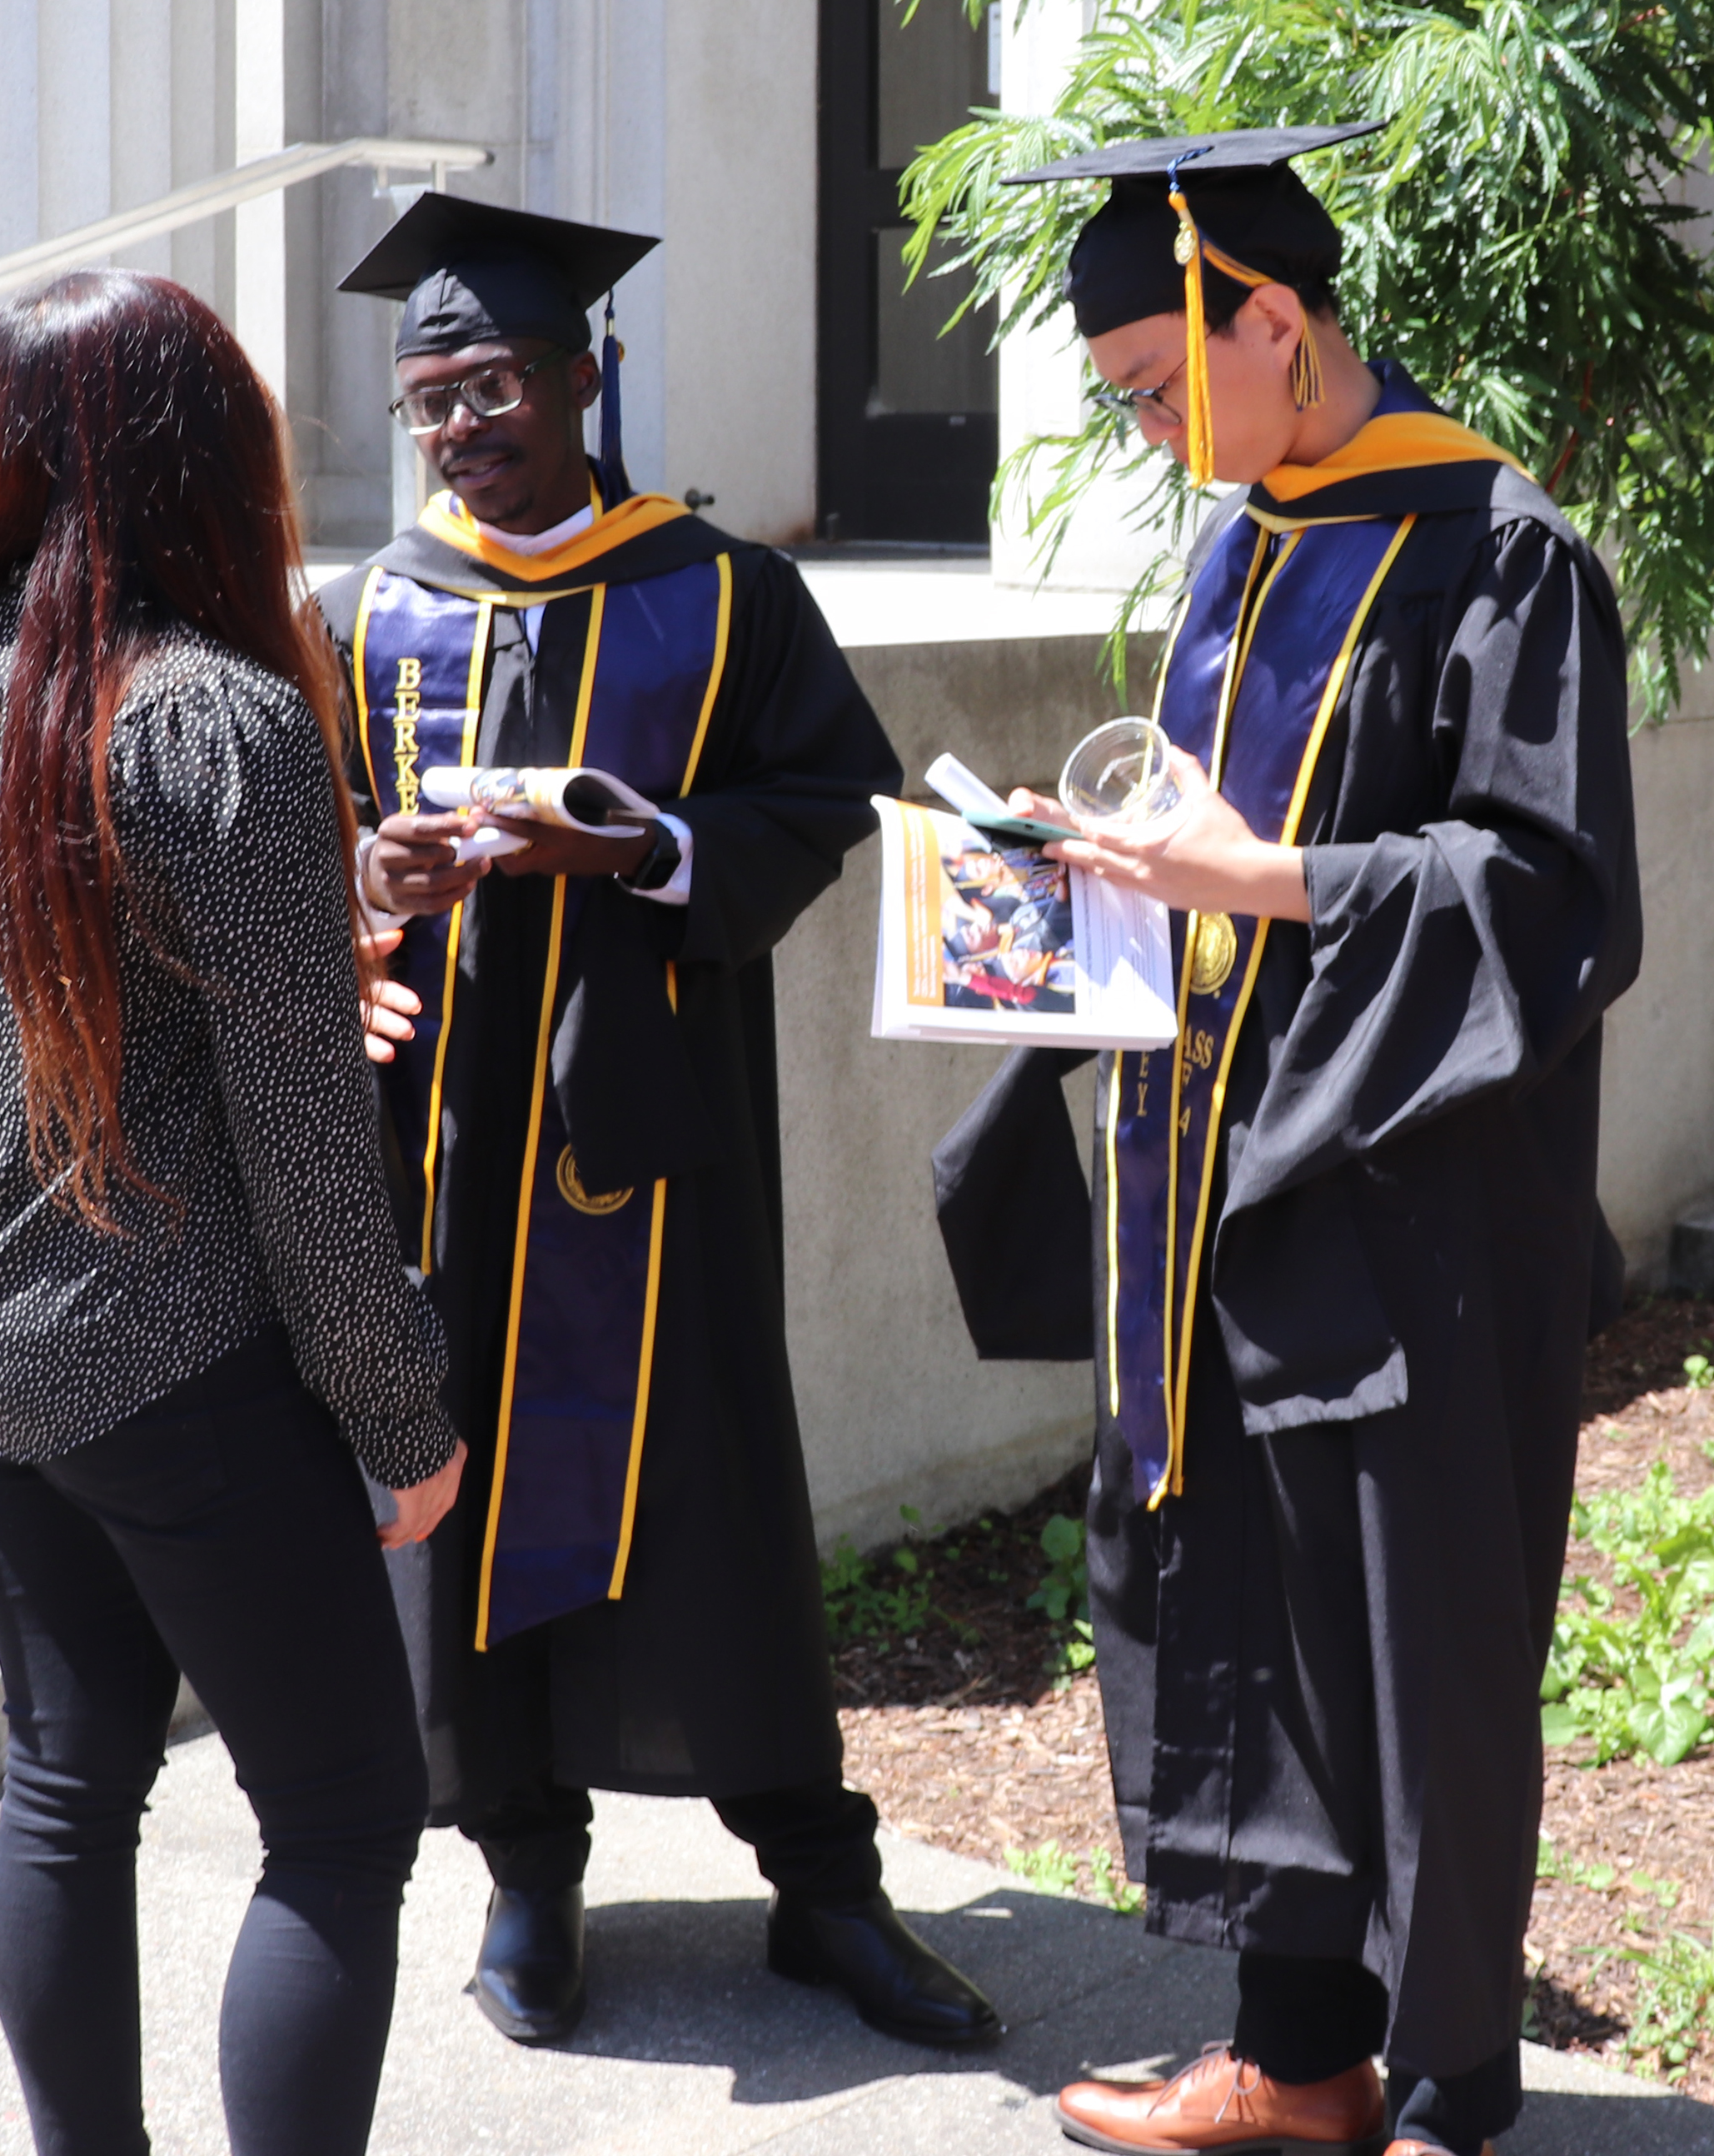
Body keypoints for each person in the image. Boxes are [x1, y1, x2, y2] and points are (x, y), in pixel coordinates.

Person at [933, 125, 1641, 2156]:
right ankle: (1293, 2056)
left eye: (1160, 387)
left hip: (1411, 1198)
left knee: (1411, 1632)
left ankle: (1441, 2091)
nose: (1155, 437)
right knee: (1243, 1596)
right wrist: (1056, 896)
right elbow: (1210, 859)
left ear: (1269, 317)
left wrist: (1272, 881)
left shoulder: (1502, 548)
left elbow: (1545, 891)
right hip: (1218, 1186)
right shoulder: (1249, 538)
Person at [317, 192, 999, 2051]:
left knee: (718, 1504)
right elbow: (309, 862)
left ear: (583, 372)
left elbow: (829, 799)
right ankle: (525, 1875)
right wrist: (370, 871)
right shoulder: (365, 609)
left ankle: (820, 1883)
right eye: (430, 394)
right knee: (460, 1520)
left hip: (663, 1151)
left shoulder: (719, 591)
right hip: (448, 1165)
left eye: (494, 382)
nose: (461, 422)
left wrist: (640, 843)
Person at [0, 269, 466, 2156]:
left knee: (63, 1785)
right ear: (203, 456)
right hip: (176, 1370)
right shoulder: (215, 719)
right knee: (343, 1813)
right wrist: (401, 1420)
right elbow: (306, 1150)